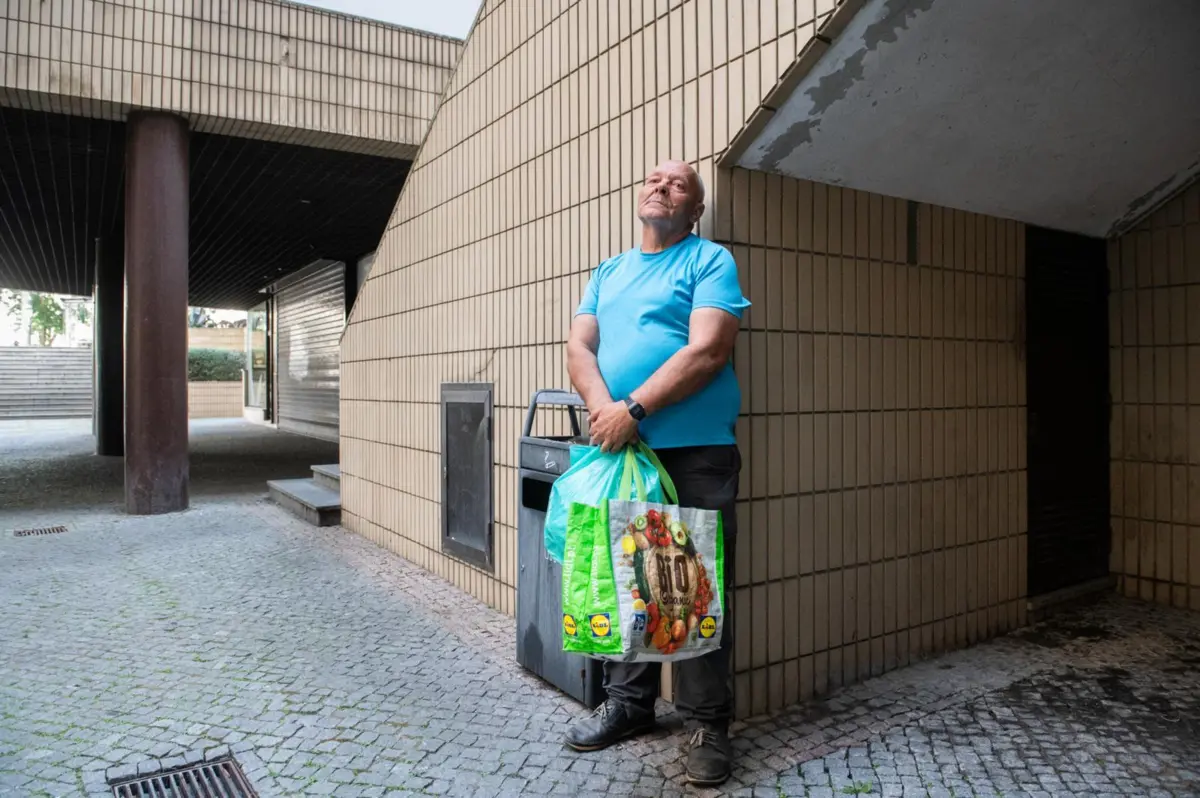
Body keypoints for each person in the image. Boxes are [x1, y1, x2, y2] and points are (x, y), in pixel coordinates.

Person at [564, 159, 749, 786]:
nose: (661, 187)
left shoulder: (709, 261)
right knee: (628, 584)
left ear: (694, 209)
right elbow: (578, 346)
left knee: (691, 589)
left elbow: (708, 350)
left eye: (678, 185)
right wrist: (605, 412)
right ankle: (630, 705)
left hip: (692, 451)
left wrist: (635, 408)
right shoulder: (608, 271)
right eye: (653, 180)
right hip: (622, 450)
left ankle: (706, 723)